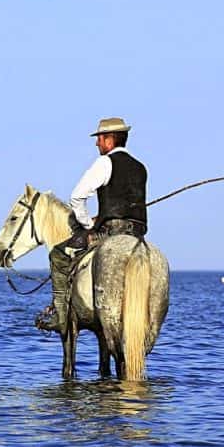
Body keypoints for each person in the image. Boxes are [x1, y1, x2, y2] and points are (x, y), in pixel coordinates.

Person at [35, 117, 148, 333]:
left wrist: (88, 224)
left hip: (110, 233)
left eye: (99, 139)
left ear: (109, 140)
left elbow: (77, 197)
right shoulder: (141, 168)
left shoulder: (105, 163)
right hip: (138, 236)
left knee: (58, 255)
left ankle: (60, 317)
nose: (97, 143)